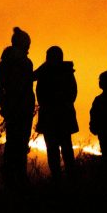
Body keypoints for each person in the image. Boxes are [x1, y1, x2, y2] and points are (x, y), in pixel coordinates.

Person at [0, 27, 35, 187]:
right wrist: (6, 105)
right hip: (19, 109)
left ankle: (15, 180)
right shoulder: (15, 63)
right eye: (27, 43)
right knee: (16, 145)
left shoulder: (10, 62)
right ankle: (15, 181)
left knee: (16, 144)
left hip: (20, 109)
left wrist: (5, 105)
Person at [34, 46, 79, 182]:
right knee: (64, 149)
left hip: (52, 117)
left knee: (56, 150)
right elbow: (73, 92)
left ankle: (60, 180)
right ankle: (68, 179)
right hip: (62, 116)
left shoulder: (46, 72)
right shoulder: (66, 71)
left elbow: (39, 91)